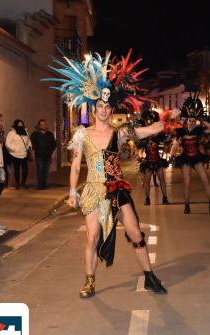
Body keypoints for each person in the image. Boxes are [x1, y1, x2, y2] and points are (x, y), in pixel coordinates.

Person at [46, 50, 167, 297]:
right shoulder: (82, 133)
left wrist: (165, 121)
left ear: (111, 109)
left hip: (117, 190)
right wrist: (72, 191)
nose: (103, 110)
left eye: (107, 106)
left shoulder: (119, 133)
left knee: (135, 233)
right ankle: (89, 281)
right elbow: (77, 165)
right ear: (93, 109)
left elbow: (148, 130)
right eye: (99, 106)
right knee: (92, 237)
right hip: (92, 191)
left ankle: (150, 277)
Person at [171, 95, 210, 214]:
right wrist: (172, 154)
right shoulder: (181, 133)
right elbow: (175, 145)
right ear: (185, 121)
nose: (190, 123)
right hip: (185, 158)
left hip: (197, 158)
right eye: (189, 121)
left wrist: (201, 119)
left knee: (205, 180)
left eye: (192, 121)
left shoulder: (198, 131)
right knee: (187, 182)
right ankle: (186, 205)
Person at [138, 110, 169, 205]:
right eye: (147, 120)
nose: (149, 122)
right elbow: (140, 150)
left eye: (151, 120)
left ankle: (165, 198)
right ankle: (147, 198)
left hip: (158, 160)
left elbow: (165, 142)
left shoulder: (158, 134)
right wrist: (140, 157)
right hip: (148, 161)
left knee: (162, 180)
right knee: (147, 181)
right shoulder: (143, 136)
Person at [30, 119, 57, 190]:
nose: (43, 126)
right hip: (39, 155)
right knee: (40, 170)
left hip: (47, 155)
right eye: (42, 124)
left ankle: (44, 184)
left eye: (44, 124)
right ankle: (40, 185)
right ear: (39, 126)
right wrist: (36, 150)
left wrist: (51, 151)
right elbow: (32, 143)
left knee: (46, 170)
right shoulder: (35, 134)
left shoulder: (49, 134)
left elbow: (54, 144)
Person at [5, 119, 31, 189]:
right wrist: (14, 149)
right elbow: (7, 143)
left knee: (25, 170)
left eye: (22, 124)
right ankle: (17, 184)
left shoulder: (25, 132)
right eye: (19, 124)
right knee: (17, 170)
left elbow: (28, 140)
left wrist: (29, 146)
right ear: (16, 125)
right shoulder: (11, 133)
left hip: (24, 154)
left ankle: (23, 183)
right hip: (15, 155)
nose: (21, 126)